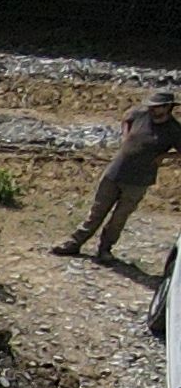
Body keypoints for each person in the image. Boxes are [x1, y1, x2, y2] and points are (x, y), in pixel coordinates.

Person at [56, 85, 180, 262]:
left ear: (168, 107)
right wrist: (125, 136)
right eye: (152, 106)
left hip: (139, 180)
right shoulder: (141, 113)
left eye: (157, 106)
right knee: (96, 212)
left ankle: (105, 249)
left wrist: (164, 156)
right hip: (116, 171)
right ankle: (74, 243)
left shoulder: (174, 130)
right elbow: (126, 118)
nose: (153, 109)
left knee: (119, 218)